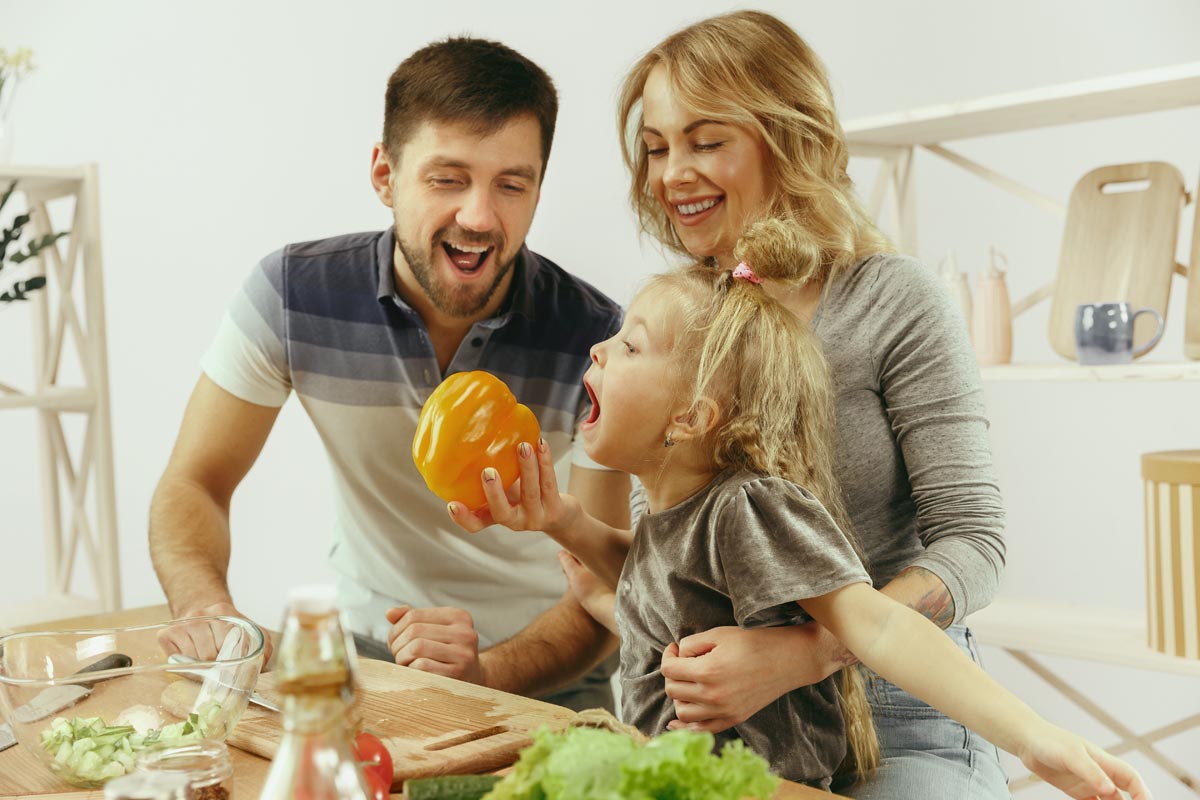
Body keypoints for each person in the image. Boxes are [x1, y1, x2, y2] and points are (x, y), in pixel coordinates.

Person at [445, 219, 1147, 798]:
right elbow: (661, 582)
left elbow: (873, 624)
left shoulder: (749, 508)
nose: (599, 348)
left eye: (630, 346)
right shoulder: (676, 518)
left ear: (690, 417)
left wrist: (1033, 737)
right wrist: (560, 519)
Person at [147, 36, 629, 711]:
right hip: (363, 668)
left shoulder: (601, 343)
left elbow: (608, 582)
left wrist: (485, 674)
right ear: (384, 176)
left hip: (549, 687)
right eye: (447, 178)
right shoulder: (291, 296)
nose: (479, 216)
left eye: (511, 185)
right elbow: (195, 481)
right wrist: (210, 611)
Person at [611, 10, 1018, 797]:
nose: (671, 175)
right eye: (657, 148)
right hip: (733, 727)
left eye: (706, 140)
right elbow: (665, 555)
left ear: (787, 135)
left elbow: (974, 543)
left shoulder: (892, 299)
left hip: (902, 714)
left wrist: (805, 652)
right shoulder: (672, 324)